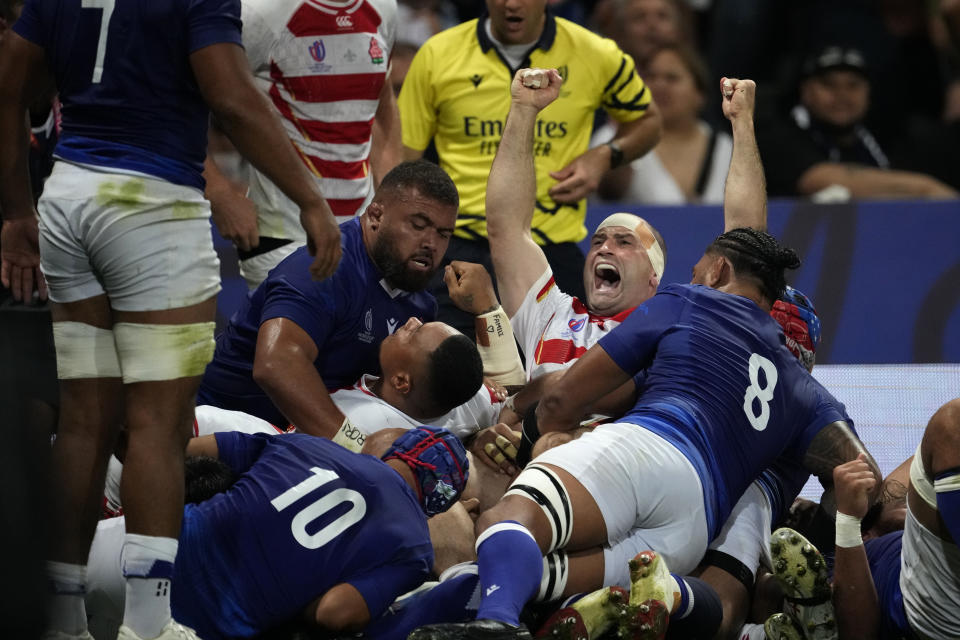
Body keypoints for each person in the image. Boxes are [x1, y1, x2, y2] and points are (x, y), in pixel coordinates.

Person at [0, 1, 345, 639]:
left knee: (82, 422)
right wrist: (310, 198)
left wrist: (17, 210)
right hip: (151, 203)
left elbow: (12, 82)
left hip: (69, 194)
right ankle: (149, 625)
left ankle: (63, 621)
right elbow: (232, 96)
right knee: (157, 424)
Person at [397, 0, 662, 333]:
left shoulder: (596, 53)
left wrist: (603, 156)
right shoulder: (437, 55)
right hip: (460, 246)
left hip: (551, 247)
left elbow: (649, 122)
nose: (511, 3)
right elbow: (403, 161)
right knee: (456, 375)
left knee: (559, 378)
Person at [84, 426, 470, 640]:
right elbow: (334, 614)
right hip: (192, 625)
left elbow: (176, 452)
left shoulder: (308, 443)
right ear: (437, 501)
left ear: (396, 449)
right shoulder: (415, 545)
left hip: (135, 549)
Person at [197, 160, 460, 441]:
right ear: (375, 215)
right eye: (418, 225)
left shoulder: (419, 302)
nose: (431, 243)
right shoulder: (323, 268)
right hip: (223, 430)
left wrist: (471, 436)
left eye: (443, 234)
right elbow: (276, 365)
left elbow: (419, 399)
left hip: (303, 440)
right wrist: (355, 448)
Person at [205, 0, 404, 288]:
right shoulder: (258, 12)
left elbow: (382, 103)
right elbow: (179, 96)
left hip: (362, 239)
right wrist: (218, 190)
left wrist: (390, 204)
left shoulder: (383, 8)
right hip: (285, 235)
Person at [758, 44, 958, 200]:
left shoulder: (885, 136)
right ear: (806, 91)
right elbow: (820, 180)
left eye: (853, 85)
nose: (842, 95)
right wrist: (925, 189)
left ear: (868, 92)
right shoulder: (781, 136)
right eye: (829, 84)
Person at [594, 43, 733, 205]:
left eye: (671, 78)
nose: (659, 86)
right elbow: (606, 194)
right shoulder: (610, 137)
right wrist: (622, 141)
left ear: (700, 94)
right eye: (650, 77)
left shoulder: (725, 145)